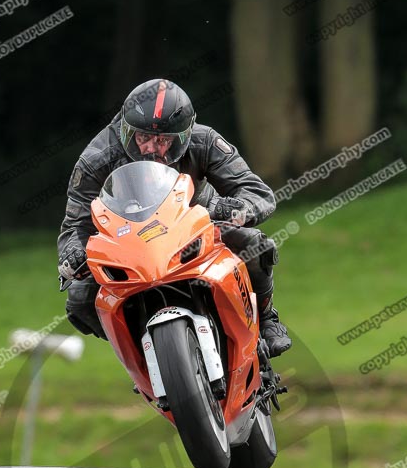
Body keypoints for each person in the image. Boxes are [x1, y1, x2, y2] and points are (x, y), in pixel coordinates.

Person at [58, 79, 291, 358]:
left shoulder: (204, 140)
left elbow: (258, 193)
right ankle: (143, 353)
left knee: (255, 245)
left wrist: (233, 210)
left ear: (183, 136)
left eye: (163, 140)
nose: (150, 148)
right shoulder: (96, 159)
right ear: (125, 130)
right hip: (129, 242)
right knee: (80, 300)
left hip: (198, 227)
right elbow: (76, 222)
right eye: (142, 137)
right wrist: (73, 252)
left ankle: (267, 319)